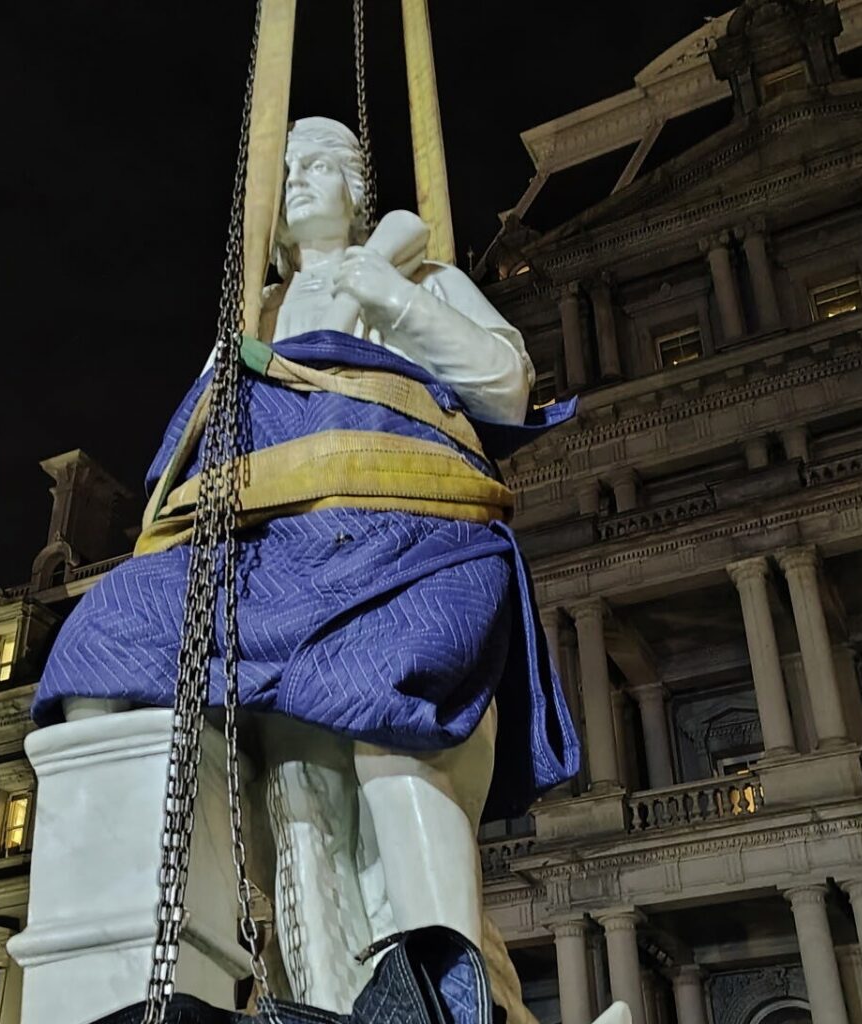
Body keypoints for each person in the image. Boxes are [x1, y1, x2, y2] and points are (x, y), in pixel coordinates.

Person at [32, 117, 579, 1023]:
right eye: (284, 172)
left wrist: (392, 299)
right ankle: (132, 961)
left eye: (322, 165)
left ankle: (442, 992)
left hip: (412, 535)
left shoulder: (422, 275)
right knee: (101, 641)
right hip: (268, 553)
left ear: (361, 194)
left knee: (394, 692)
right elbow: (182, 458)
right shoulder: (257, 317)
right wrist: (232, 373)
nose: (298, 181)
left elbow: (503, 386)